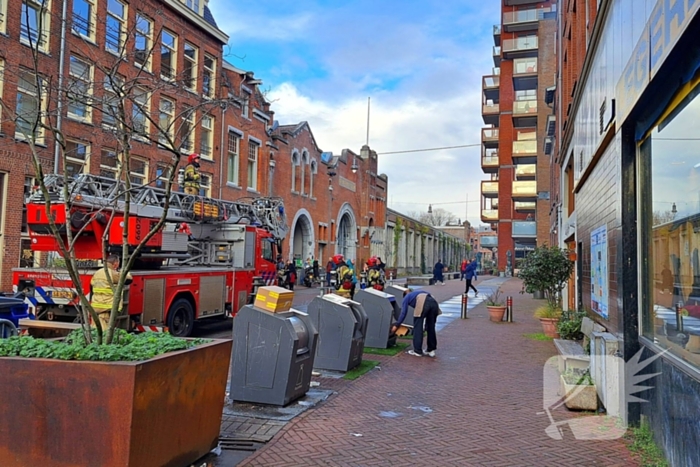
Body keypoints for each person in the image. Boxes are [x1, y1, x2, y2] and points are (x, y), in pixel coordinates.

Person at [391, 289, 441, 357]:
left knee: (418, 327)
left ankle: (417, 351)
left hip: (422, 303)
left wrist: (397, 325)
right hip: (434, 303)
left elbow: (403, 313)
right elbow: (430, 300)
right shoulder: (418, 292)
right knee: (431, 327)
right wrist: (426, 326)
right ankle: (431, 350)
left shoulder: (406, 297)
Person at [90, 254, 133, 330]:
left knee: (95, 329)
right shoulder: (112, 274)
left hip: (96, 306)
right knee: (105, 331)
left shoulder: (97, 273)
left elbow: (91, 286)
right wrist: (126, 272)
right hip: (108, 307)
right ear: (115, 263)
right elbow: (129, 280)